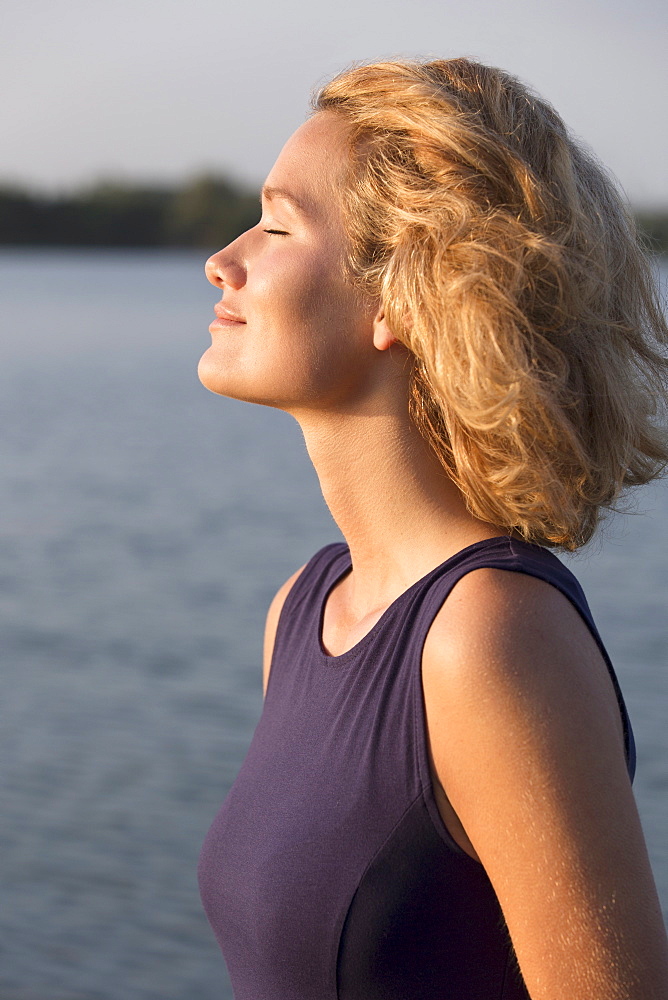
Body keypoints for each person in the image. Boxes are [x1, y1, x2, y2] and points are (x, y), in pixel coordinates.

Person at [197, 58, 668, 1000]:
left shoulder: (492, 638)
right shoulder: (306, 607)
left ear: (403, 296)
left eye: (281, 224)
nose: (224, 258)